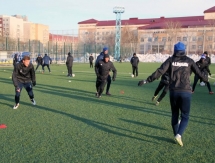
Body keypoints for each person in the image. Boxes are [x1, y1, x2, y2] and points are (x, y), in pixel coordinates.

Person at [138, 42, 208, 147]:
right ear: (184, 50)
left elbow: (159, 71)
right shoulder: (189, 61)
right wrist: (205, 78)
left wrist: (147, 80)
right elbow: (200, 74)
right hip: (185, 92)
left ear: (174, 50)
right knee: (185, 116)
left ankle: (176, 135)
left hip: (174, 92)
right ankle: (179, 135)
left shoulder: (170, 60)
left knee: (175, 115)